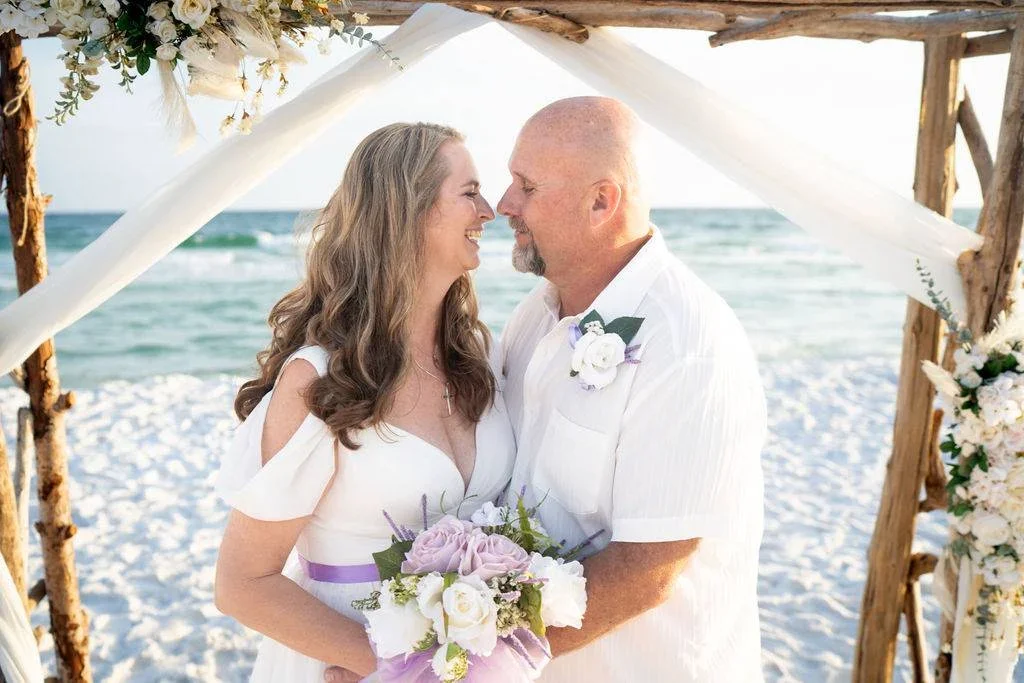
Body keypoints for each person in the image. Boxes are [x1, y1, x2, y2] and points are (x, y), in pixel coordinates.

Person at [214, 122, 516, 681]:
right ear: (410, 209)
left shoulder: (481, 354)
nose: (490, 211)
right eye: (470, 192)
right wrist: (400, 670)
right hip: (348, 665)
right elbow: (242, 584)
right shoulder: (319, 380)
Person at [498, 96, 767, 681]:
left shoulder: (687, 344)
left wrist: (467, 660)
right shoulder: (534, 315)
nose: (503, 206)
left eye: (526, 186)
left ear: (602, 200)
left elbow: (648, 571)